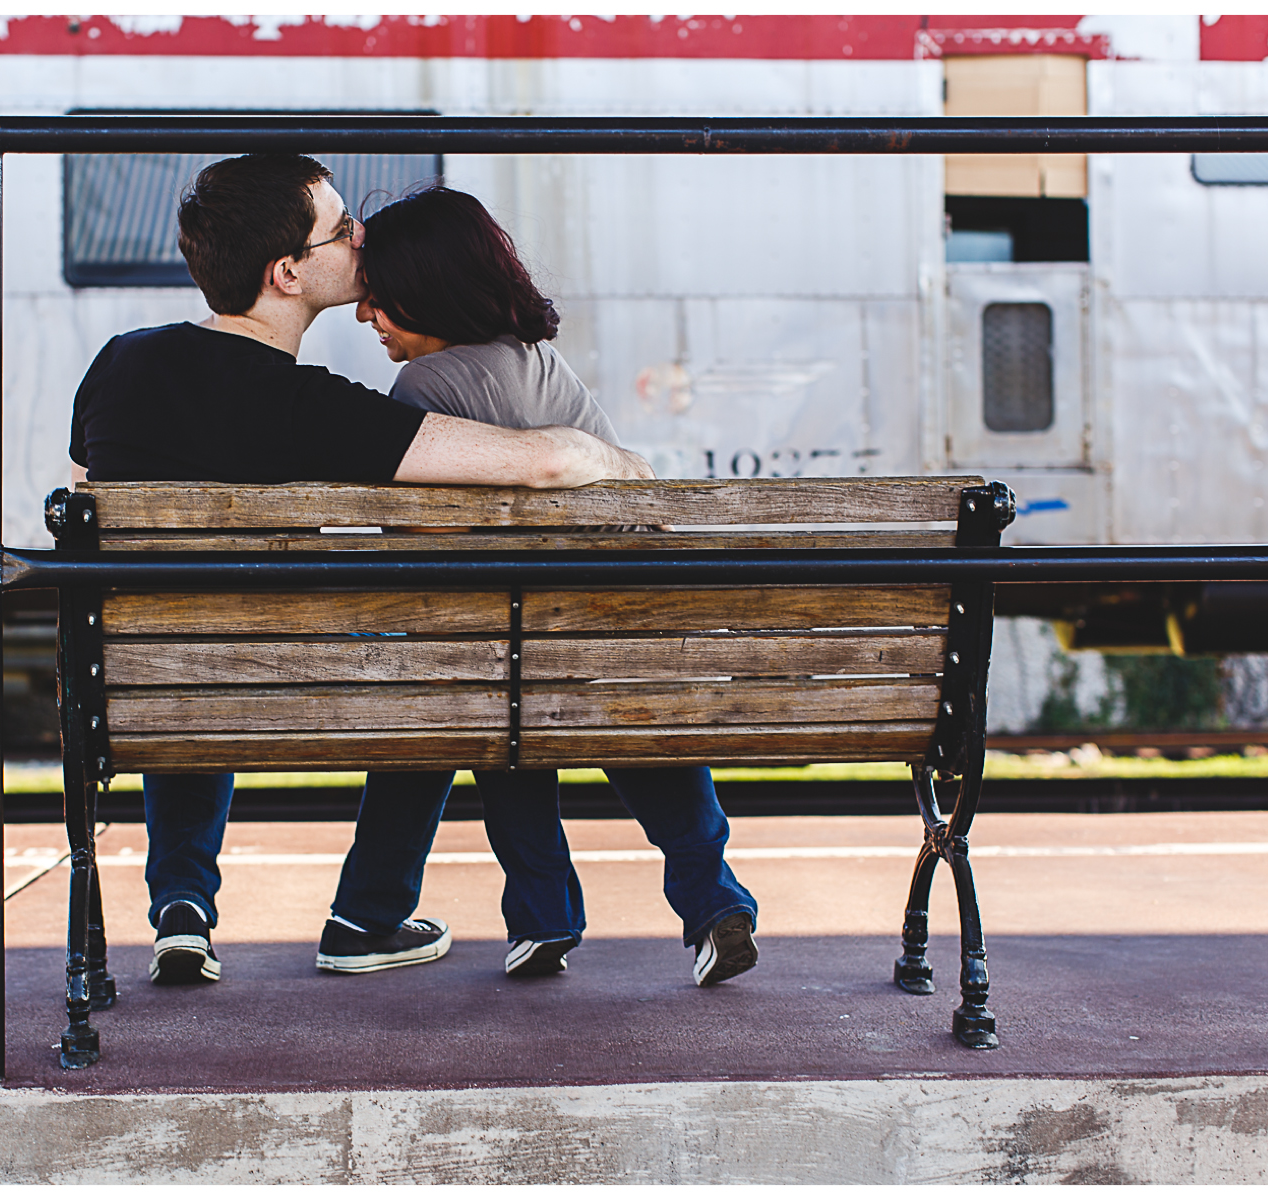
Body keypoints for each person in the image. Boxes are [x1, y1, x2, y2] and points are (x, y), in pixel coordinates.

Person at [67, 154, 653, 989]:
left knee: (181, 643)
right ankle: (365, 918)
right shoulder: (320, 410)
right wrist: (616, 457)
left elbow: (82, 497)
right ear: (287, 272)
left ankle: (183, 908)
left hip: (140, 691)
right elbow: (543, 463)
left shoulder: (119, 365)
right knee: (441, 668)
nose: (360, 238)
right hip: (303, 688)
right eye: (342, 230)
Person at [353, 183, 762, 986]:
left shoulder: (424, 390)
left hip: (504, 648)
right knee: (648, 737)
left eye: (376, 302)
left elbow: (419, 545)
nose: (368, 318)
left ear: (422, 289)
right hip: (602, 633)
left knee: (510, 741)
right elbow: (628, 501)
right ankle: (714, 901)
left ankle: (542, 922)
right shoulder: (544, 363)